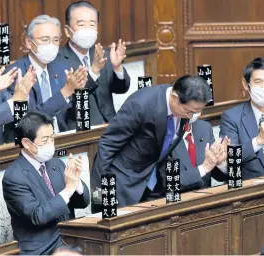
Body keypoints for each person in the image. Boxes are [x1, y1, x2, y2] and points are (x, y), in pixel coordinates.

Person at [91, 75, 212, 207]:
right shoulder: (140, 104)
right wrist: (99, 192)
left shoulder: (183, 111)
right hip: (124, 183)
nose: (191, 117)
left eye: (196, 113)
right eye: (189, 112)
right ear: (174, 97)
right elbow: (107, 145)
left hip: (155, 183)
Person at [2, 112, 90, 255]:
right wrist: (68, 189)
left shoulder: (55, 163)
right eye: (44, 140)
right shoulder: (14, 177)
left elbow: (83, 202)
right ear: (26, 143)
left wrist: (76, 182)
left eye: (52, 138)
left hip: (69, 240)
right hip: (40, 249)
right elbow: (38, 216)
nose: (50, 144)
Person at [5, 14, 88, 140]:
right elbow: (29, 120)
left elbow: (71, 114)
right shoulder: (15, 74)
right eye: (45, 40)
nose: (51, 45)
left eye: (55, 40)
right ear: (28, 42)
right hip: (31, 142)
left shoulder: (62, 68)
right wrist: (64, 92)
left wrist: (79, 93)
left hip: (62, 137)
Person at [59, 0, 130, 127]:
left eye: (92, 25)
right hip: (80, 131)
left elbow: (121, 89)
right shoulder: (58, 60)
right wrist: (94, 71)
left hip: (111, 127)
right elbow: (68, 100)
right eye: (81, 25)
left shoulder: (103, 54)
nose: (87, 29)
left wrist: (117, 68)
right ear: (67, 31)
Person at [171, 117, 229, 191]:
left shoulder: (204, 127)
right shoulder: (165, 133)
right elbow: (170, 182)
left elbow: (219, 177)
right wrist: (204, 168)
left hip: (206, 198)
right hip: (177, 199)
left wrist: (219, 163)